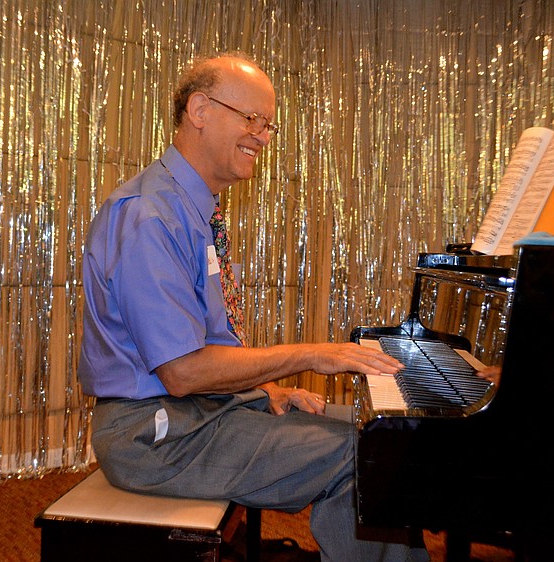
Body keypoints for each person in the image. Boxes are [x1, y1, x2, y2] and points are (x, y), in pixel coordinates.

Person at [78, 51, 429, 562]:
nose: (263, 137)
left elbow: (197, 349)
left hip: (196, 411)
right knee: (364, 457)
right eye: (251, 119)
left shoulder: (192, 209)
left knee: (377, 434)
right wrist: (311, 354)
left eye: (268, 125)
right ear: (200, 110)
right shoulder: (151, 217)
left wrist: (263, 390)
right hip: (154, 435)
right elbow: (181, 372)